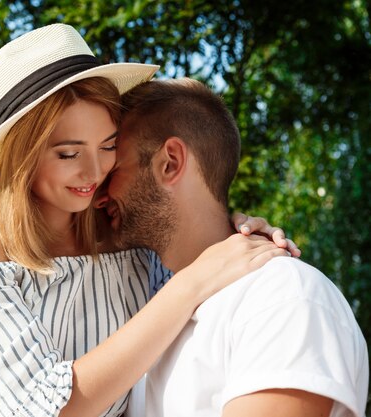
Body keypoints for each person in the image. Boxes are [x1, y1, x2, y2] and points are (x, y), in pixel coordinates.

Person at [0, 24, 296, 417]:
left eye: (109, 145)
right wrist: (192, 282)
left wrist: (237, 231)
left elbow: (192, 238)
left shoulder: (124, 232)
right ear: (22, 158)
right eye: (68, 154)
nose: (94, 172)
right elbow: (48, 408)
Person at [95, 78, 367, 417]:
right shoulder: (155, 316)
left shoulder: (281, 297)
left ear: (170, 163)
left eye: (112, 172)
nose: (98, 196)